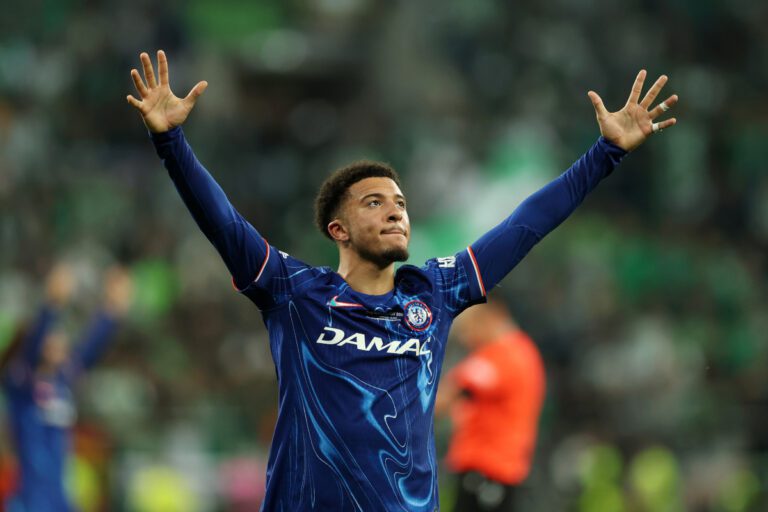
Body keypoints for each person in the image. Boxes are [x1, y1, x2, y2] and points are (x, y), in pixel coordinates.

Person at [127, 49, 677, 511]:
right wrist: (171, 144)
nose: (396, 213)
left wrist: (606, 154)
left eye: (401, 203)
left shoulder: (434, 291)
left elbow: (526, 224)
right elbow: (223, 224)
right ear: (338, 229)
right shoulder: (296, 292)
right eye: (375, 203)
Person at [1, 264, 133, 512]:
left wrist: (113, 310)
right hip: (30, 502)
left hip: (59, 500)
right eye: (52, 337)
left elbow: (90, 349)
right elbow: (32, 348)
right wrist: (52, 305)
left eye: (61, 336)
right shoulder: (20, 383)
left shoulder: (63, 380)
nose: (60, 342)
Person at [435, 298, 545, 512]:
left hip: (487, 470)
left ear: (490, 318)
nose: (467, 339)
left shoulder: (503, 355)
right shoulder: (522, 351)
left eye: (468, 330)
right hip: (502, 470)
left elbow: (442, 400)